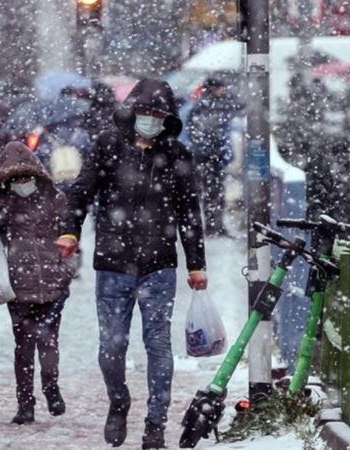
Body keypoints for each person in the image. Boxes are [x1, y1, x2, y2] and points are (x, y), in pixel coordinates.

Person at [55, 79, 208, 449]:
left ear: (167, 118)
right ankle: (118, 401)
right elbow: (82, 190)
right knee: (111, 347)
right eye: (145, 112)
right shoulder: (108, 145)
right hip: (112, 262)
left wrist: (196, 263)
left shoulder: (177, 155)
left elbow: (189, 213)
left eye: (158, 114)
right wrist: (70, 232)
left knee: (157, 344)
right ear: (132, 112)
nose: (150, 120)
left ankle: (156, 422)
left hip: (159, 264)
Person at [0, 141, 77, 425]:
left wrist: (65, 273)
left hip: (53, 284)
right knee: (23, 346)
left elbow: (71, 238)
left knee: (49, 342)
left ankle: (51, 388)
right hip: (19, 286)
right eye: (15, 179)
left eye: (26, 177)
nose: (22, 183)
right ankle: (25, 402)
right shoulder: (2, 205)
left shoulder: (56, 199)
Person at [187, 78, 243, 236]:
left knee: (211, 192)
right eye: (220, 88)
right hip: (210, 156)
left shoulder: (202, 106)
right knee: (214, 191)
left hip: (207, 156)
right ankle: (214, 226)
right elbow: (210, 132)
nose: (223, 91)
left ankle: (213, 225)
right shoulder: (211, 107)